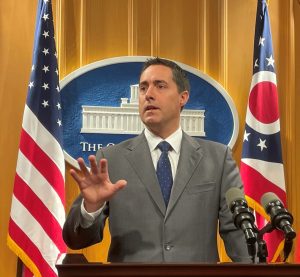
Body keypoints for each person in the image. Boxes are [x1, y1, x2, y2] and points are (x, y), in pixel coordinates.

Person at [63, 57, 250, 262]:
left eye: (160, 86)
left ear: (183, 97)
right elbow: (75, 240)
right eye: (143, 88)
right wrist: (91, 208)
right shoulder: (110, 160)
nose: (149, 94)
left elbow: (238, 234)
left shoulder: (218, 159)